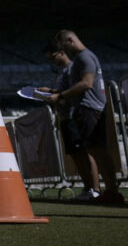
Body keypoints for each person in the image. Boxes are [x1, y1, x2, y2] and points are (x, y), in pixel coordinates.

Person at [50, 30, 122, 204]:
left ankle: (111, 191)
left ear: (70, 40)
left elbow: (87, 83)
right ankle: (110, 190)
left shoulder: (84, 57)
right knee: (95, 150)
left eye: (64, 46)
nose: (64, 50)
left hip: (90, 108)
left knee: (97, 150)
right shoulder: (82, 58)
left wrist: (61, 96)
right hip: (88, 108)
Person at [39, 42, 99, 202]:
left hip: (74, 115)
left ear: (60, 52)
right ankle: (88, 188)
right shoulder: (62, 72)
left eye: (52, 58)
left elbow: (73, 90)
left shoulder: (72, 69)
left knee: (84, 153)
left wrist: (53, 93)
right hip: (65, 116)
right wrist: (50, 92)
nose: (52, 62)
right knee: (76, 155)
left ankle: (95, 189)